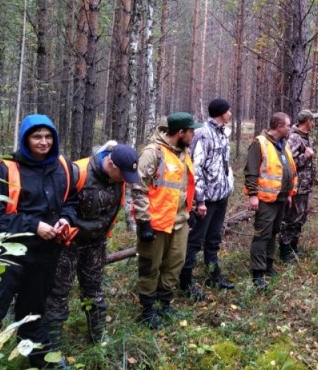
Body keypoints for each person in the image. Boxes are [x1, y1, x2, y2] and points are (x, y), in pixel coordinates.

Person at [0, 114, 77, 369]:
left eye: (48, 136)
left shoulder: (62, 166)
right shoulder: (6, 169)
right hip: (7, 255)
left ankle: (40, 359)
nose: (43, 142)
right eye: (36, 136)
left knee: (33, 313)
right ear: (25, 139)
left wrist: (65, 219)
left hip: (45, 256)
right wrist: (33, 226)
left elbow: (72, 201)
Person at [43, 142, 139, 353]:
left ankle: (98, 338)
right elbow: (54, 207)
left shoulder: (119, 179)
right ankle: (52, 351)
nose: (125, 180)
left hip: (96, 243)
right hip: (66, 245)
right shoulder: (78, 172)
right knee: (57, 295)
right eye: (122, 174)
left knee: (94, 291)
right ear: (111, 163)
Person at [132, 112, 201, 330]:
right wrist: (144, 222)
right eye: (191, 131)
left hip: (179, 221)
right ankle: (148, 308)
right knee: (150, 266)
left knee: (174, 264)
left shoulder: (183, 152)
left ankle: (165, 302)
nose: (193, 135)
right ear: (180, 132)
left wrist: (191, 210)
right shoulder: (153, 153)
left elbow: (184, 187)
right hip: (155, 223)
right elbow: (138, 187)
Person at [180, 99, 235, 301]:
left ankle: (213, 274)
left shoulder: (222, 133)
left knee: (214, 238)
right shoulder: (203, 134)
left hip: (221, 195)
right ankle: (186, 281)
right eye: (228, 111)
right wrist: (200, 200)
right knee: (195, 241)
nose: (230, 114)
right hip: (207, 199)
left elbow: (223, 165)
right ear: (221, 113)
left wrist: (228, 186)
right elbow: (197, 169)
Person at [244, 112, 298, 289]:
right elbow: (251, 171)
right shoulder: (259, 143)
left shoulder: (283, 145)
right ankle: (257, 273)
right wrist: (253, 195)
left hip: (280, 198)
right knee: (262, 234)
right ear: (279, 126)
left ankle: (268, 264)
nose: (290, 128)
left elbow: (290, 170)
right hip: (265, 199)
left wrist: (289, 193)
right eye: (288, 125)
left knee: (273, 232)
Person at [279, 109, 318, 263]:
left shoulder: (305, 137)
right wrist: (305, 156)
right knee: (291, 218)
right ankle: (285, 251)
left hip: (304, 186)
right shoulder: (294, 138)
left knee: (300, 217)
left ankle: (293, 247)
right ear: (307, 121)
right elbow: (287, 164)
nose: (314, 123)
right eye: (312, 120)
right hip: (296, 187)